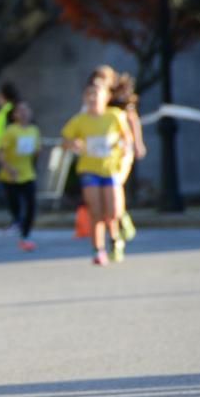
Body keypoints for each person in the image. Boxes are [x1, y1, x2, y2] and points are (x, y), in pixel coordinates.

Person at [61, 81, 132, 266]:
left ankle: (115, 238)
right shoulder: (80, 120)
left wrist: (124, 149)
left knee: (114, 211)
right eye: (89, 94)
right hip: (89, 169)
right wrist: (73, 144)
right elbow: (65, 140)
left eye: (96, 93)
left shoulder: (115, 116)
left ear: (106, 96)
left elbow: (127, 139)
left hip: (110, 168)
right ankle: (98, 249)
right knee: (96, 211)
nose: (92, 98)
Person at [91, 66, 146, 243]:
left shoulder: (121, 98)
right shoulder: (96, 98)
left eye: (102, 78)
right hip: (104, 153)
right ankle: (116, 223)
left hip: (123, 148)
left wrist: (138, 143)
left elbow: (132, 119)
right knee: (109, 191)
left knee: (116, 184)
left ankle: (121, 219)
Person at [0, 101, 41, 251]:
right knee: (15, 205)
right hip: (10, 176)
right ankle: (17, 222)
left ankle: (25, 235)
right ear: (14, 115)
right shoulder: (10, 131)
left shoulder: (34, 130)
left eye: (26, 110)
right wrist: (8, 168)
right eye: (20, 111)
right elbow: (0, 153)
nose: (23, 113)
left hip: (28, 174)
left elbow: (36, 151)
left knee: (31, 205)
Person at [0, 81, 20, 231]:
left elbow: (10, 133)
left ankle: (18, 220)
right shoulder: (6, 110)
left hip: (8, 156)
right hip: (2, 155)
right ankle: (17, 219)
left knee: (12, 190)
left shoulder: (10, 111)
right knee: (9, 189)